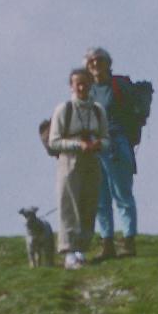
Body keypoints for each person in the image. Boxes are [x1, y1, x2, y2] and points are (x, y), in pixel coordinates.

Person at [41, 64, 108, 267]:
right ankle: (69, 251)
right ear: (71, 86)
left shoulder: (98, 110)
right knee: (69, 204)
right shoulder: (64, 109)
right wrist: (78, 145)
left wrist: (98, 144)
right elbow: (54, 141)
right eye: (78, 84)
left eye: (85, 84)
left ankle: (81, 249)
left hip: (92, 160)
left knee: (88, 203)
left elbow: (107, 138)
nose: (82, 88)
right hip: (70, 160)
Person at [83, 47, 139, 258]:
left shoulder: (118, 86)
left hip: (116, 144)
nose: (95, 64)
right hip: (93, 149)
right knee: (100, 198)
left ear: (108, 63)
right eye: (91, 62)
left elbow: (131, 115)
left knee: (122, 194)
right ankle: (107, 243)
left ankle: (128, 241)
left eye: (99, 60)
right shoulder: (87, 90)